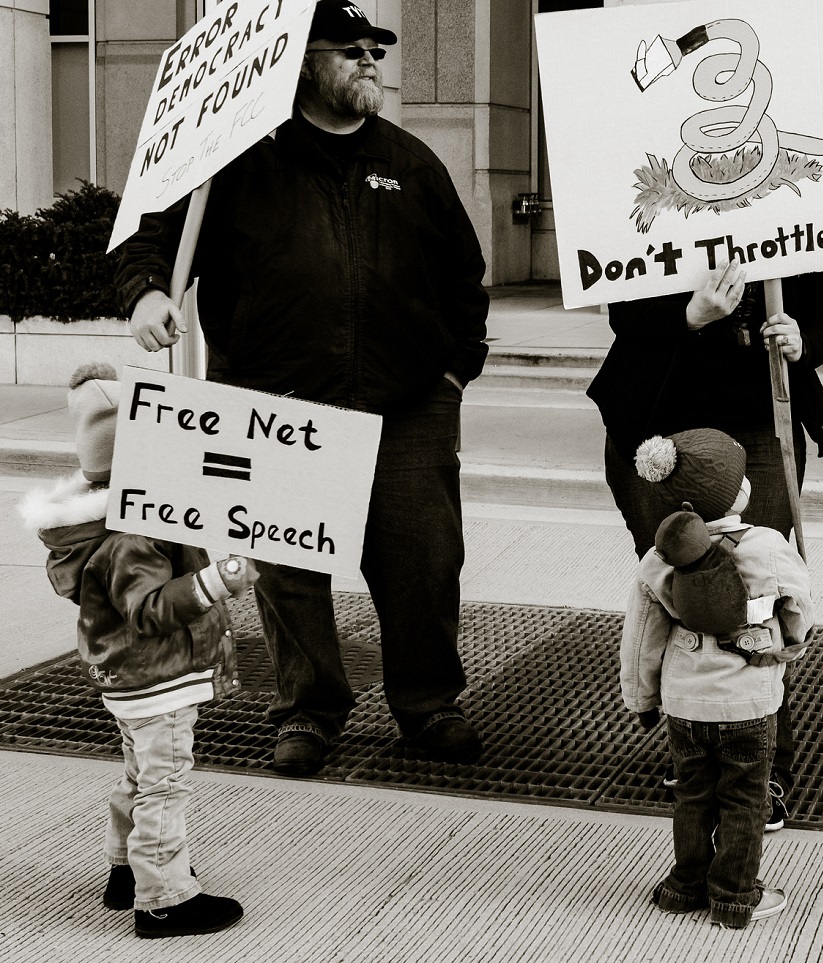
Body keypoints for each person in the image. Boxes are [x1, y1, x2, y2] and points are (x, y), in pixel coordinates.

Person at [115, 0, 491, 777]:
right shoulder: (233, 161)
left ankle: (428, 704)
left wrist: (455, 373)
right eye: (347, 49)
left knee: (423, 557)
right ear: (300, 65)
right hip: (274, 402)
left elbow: (465, 281)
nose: (367, 60)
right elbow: (151, 221)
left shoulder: (414, 164)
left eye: (373, 50)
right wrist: (149, 290)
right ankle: (310, 711)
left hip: (408, 403)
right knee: (287, 573)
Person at [588, 264, 823, 828]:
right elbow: (623, 309)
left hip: (759, 420)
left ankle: (765, 767)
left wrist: (803, 342)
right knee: (680, 595)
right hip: (659, 422)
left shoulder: (796, 201)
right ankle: (694, 757)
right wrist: (690, 315)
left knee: (759, 602)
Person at [19, 363, 257, 938]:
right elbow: (150, 610)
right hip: (158, 679)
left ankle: (126, 871)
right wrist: (217, 581)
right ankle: (165, 899)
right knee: (165, 784)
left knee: (139, 776)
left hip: (133, 681)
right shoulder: (131, 536)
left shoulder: (124, 523)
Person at [619, 429, 814, 928]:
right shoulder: (767, 545)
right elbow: (798, 608)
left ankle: (685, 885)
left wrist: (641, 698)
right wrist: (787, 643)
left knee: (693, 795)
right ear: (738, 494)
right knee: (744, 799)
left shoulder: (657, 561)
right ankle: (733, 894)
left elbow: (642, 636)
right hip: (747, 702)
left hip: (685, 704)